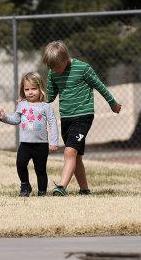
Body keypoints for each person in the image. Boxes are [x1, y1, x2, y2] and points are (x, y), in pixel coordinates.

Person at [43, 40, 122, 196]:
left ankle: (61, 187)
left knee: (69, 151)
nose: (55, 71)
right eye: (51, 68)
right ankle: (84, 189)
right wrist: (34, 100)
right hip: (66, 118)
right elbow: (50, 97)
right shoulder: (53, 72)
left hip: (83, 116)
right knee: (76, 155)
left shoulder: (83, 68)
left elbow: (99, 85)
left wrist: (113, 103)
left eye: (57, 67)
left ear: (66, 59)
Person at [0, 72, 59, 197]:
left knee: (40, 170)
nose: (30, 92)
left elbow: (53, 124)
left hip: (41, 145)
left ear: (40, 88)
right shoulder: (22, 105)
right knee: (20, 163)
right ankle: (25, 186)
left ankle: (42, 192)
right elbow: (16, 120)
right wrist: (4, 118)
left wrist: (54, 141)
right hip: (25, 144)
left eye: (34, 89)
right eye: (27, 89)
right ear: (23, 90)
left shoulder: (45, 107)